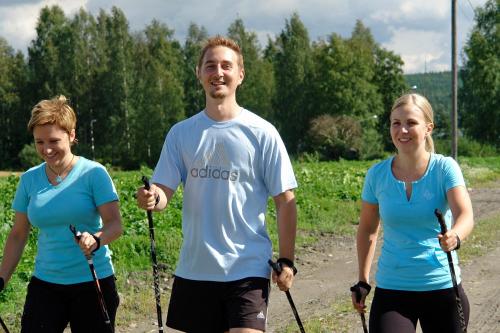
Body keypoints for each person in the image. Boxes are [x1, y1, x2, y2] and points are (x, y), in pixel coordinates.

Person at [136, 35, 298, 333]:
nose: (218, 72)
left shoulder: (263, 132)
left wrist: (287, 260)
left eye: (226, 65)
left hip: (247, 268)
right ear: (199, 73)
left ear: (240, 74)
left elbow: (285, 200)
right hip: (196, 269)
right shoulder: (181, 134)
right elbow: (163, 193)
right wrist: (151, 197)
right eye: (210, 66)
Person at [351, 93, 474, 333]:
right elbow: (367, 229)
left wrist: (455, 236)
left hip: (441, 286)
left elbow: (465, 214)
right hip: (393, 290)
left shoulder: (444, 168)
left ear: (428, 128)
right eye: (396, 123)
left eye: (411, 123)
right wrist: (363, 280)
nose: (403, 130)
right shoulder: (377, 175)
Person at [0, 96, 123, 333]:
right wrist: (2, 278)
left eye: (54, 140)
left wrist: (96, 239)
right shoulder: (29, 180)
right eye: (39, 142)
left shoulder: (94, 174)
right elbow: (17, 234)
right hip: (45, 284)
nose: (46, 149)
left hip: (92, 281)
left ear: (72, 135)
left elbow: (115, 224)